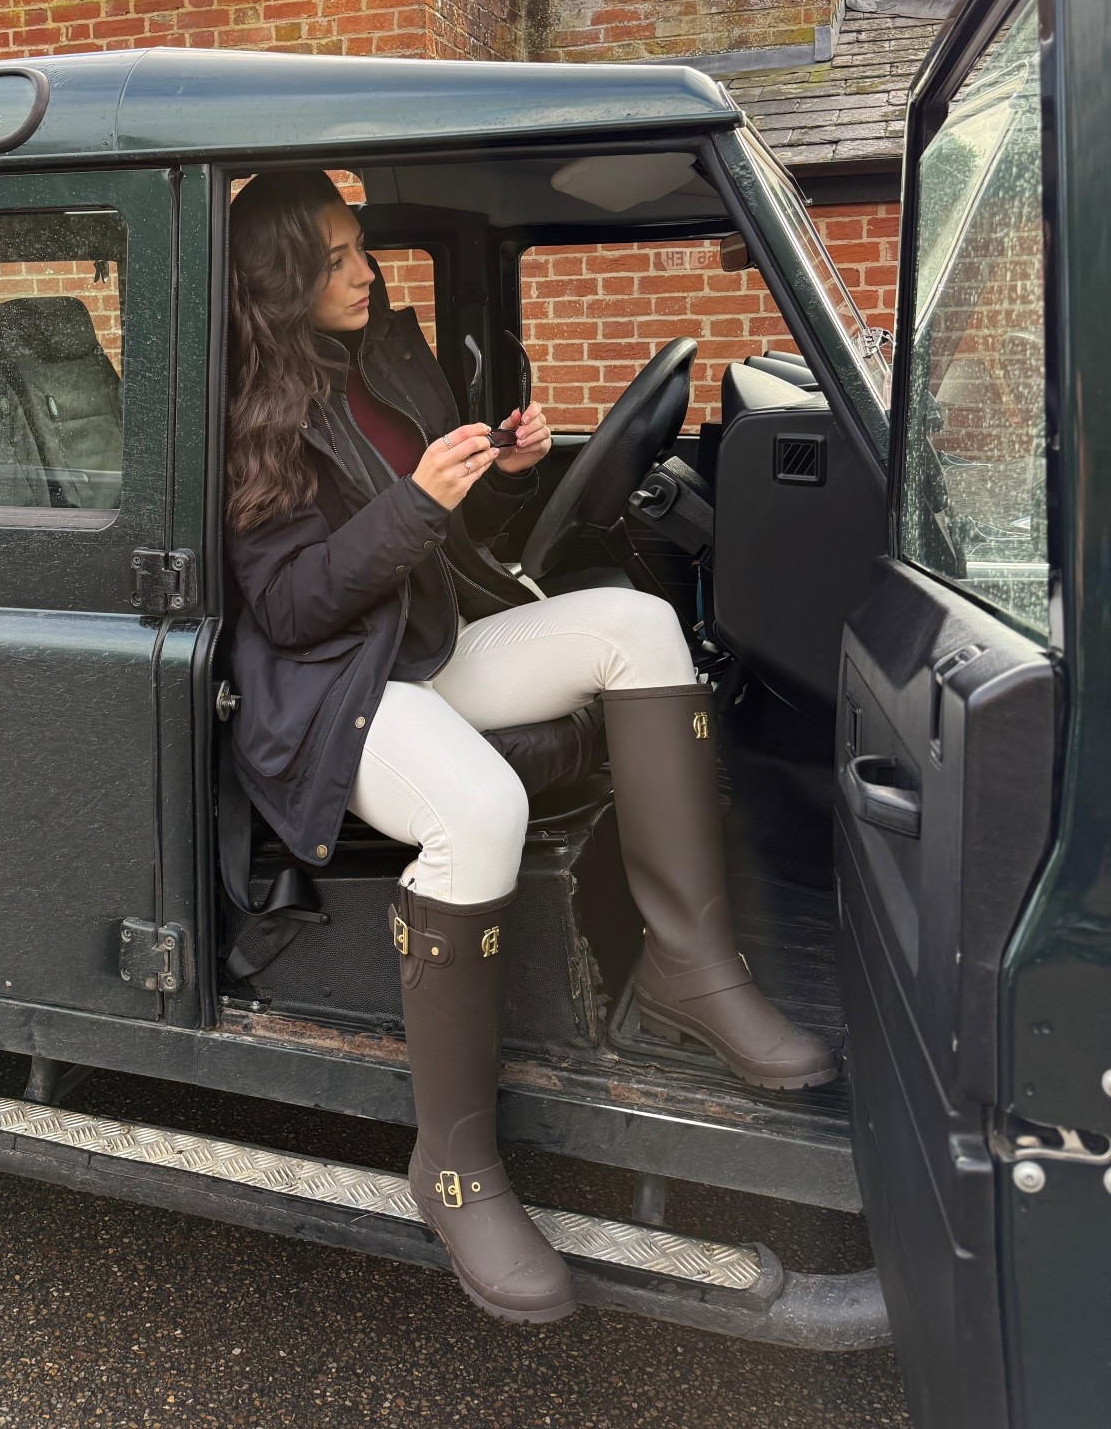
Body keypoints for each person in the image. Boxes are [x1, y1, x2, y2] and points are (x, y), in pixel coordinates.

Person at [223, 169, 835, 1325]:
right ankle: (454, 1164)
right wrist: (415, 499)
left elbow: (439, 546)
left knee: (641, 625)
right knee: (482, 808)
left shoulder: (377, 365)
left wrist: (496, 479)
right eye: (342, 256)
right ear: (281, 276)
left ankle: (686, 970)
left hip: (423, 637)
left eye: (363, 249)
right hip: (333, 687)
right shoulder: (252, 407)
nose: (367, 270)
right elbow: (298, 606)